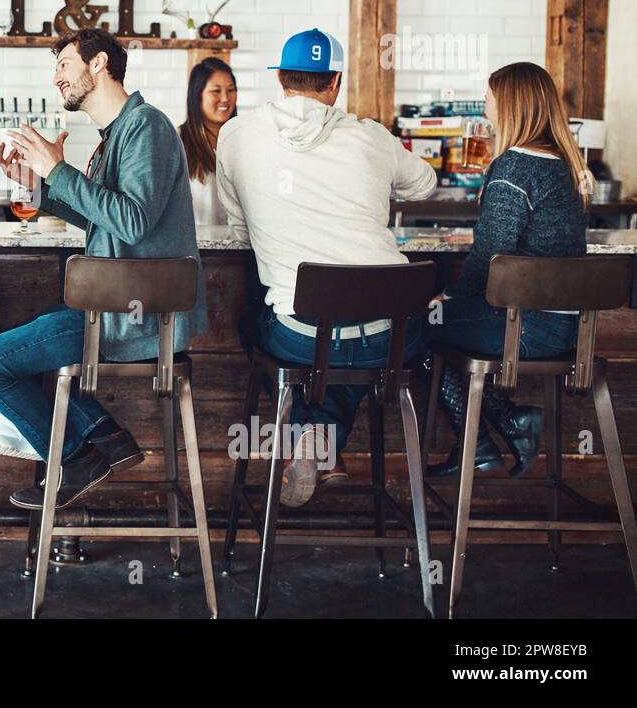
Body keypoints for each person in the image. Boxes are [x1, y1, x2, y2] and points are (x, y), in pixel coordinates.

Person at [0, 27, 208, 510]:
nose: (56, 77)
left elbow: (133, 221)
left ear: (98, 64)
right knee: (19, 352)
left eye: (63, 65)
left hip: (139, 320)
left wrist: (58, 170)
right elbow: (101, 213)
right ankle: (108, 439)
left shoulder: (146, 126)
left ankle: (79, 459)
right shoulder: (117, 133)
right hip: (113, 312)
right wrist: (37, 185)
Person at [215, 28, 437, 507]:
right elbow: (425, 184)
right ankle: (321, 441)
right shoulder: (370, 137)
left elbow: (239, 232)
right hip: (387, 336)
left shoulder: (236, 135)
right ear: (334, 82)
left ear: (281, 79)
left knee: (308, 349)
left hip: (300, 333)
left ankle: (314, 437)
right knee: (358, 352)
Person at [427, 62, 589, 478]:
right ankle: (503, 428)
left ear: (509, 104)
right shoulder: (560, 163)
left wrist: (448, 299)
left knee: (412, 327)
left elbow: (490, 258)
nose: (484, 104)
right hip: (565, 329)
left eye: (489, 96)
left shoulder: (515, 166)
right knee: (429, 322)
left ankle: (485, 440)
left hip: (526, 327)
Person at [179, 57, 237, 227]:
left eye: (231, 90)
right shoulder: (178, 141)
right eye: (216, 91)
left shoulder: (244, 140)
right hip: (195, 247)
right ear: (197, 96)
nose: (225, 98)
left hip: (240, 247)